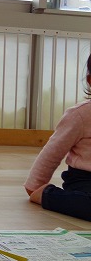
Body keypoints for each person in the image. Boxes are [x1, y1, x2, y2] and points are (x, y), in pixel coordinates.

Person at [24, 53, 91, 221]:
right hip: (84, 181)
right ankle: (48, 195)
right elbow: (52, 153)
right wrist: (34, 185)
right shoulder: (80, 115)